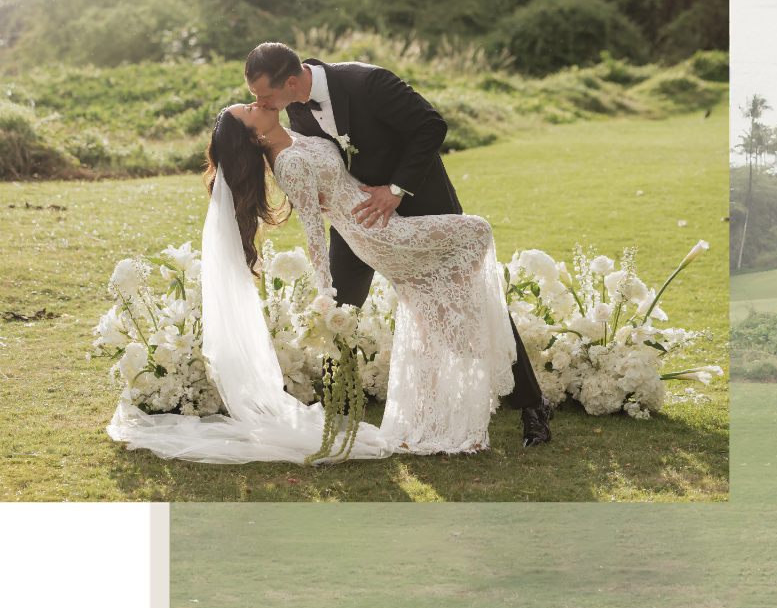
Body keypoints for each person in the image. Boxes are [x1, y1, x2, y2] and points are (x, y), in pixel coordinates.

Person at [106, 101, 523, 463]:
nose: (258, 105)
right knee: (477, 231)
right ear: (253, 137)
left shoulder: (293, 129)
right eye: (249, 111)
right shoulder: (287, 163)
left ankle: (441, 418)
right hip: (373, 231)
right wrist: (327, 295)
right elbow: (314, 232)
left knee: (434, 302)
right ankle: (463, 376)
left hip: (379, 212)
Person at [244, 41, 552, 447]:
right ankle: (335, 410)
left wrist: (396, 189)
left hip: (421, 206)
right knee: (338, 307)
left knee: (467, 302)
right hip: (359, 224)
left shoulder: (367, 81)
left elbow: (431, 125)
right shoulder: (294, 110)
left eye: (265, 95)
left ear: (289, 81)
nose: (262, 103)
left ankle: (532, 406)